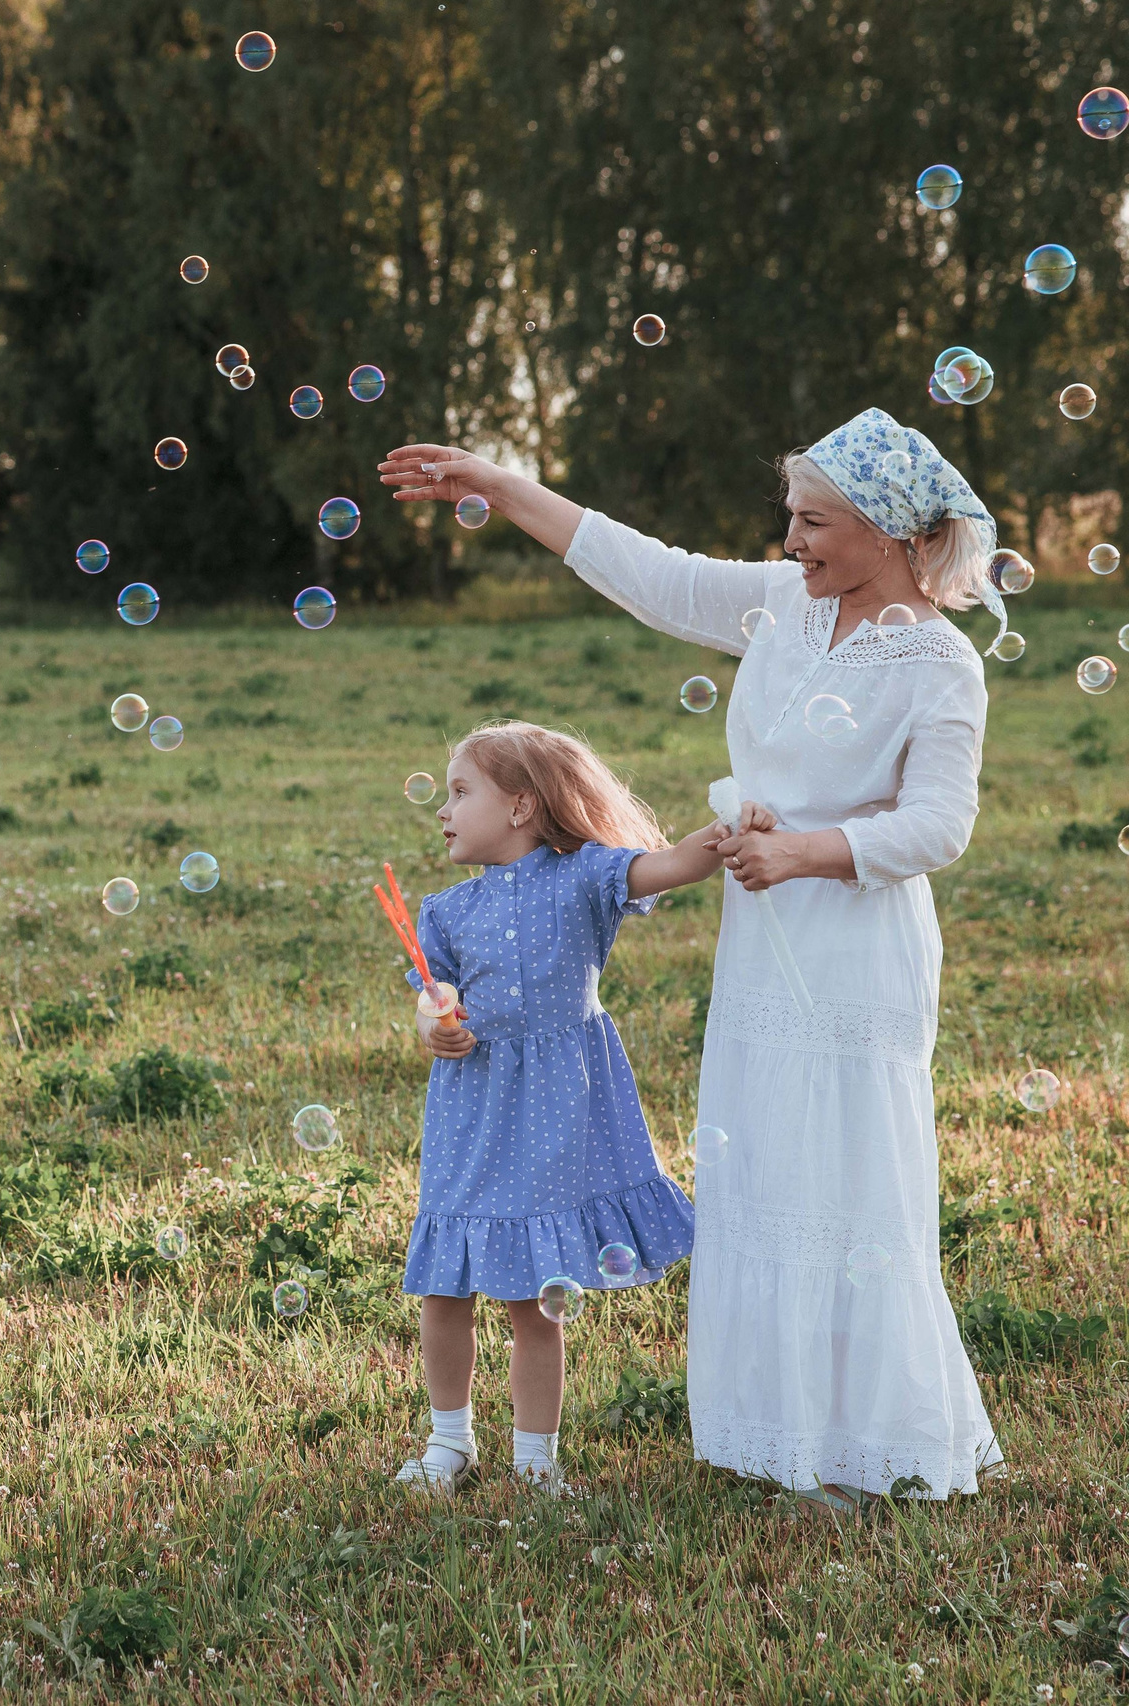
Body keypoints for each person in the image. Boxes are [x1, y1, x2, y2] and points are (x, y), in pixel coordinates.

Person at [379, 408, 1005, 1506]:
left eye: (813, 521)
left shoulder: (938, 660)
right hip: (763, 943)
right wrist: (496, 482)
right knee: (764, 1164)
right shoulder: (778, 606)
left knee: (849, 1176)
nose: (794, 539)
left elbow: (939, 826)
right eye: (790, 519)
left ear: (890, 529)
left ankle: (869, 1444)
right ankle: (780, 1436)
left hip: (854, 941)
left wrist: (806, 850)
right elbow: (646, 571)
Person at [395, 722, 725, 1494]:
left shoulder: (585, 879)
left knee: (531, 1295)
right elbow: (428, 997)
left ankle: (535, 1462)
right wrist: (432, 1024)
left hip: (553, 1111)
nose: (443, 810)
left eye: (460, 791)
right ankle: (450, 1442)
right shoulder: (444, 911)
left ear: (520, 806)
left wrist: (730, 828)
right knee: (445, 1283)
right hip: (471, 1112)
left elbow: (674, 864)